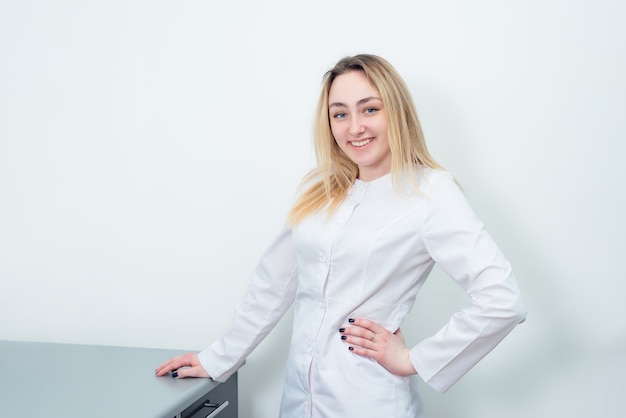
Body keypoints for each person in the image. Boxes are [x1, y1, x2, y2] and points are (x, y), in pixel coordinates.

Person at [155, 54, 526, 417]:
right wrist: (217, 358)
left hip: (371, 402)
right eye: (340, 114)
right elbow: (272, 285)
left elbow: (501, 300)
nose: (355, 127)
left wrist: (414, 359)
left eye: (369, 109)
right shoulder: (321, 189)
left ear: (396, 112)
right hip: (300, 400)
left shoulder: (431, 193)